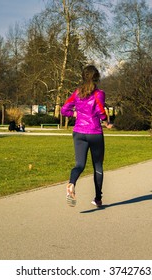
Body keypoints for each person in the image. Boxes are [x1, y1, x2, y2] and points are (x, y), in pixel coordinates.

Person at [61, 65, 113, 208]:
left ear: (83, 77)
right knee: (98, 165)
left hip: (79, 133)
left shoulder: (77, 93)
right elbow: (101, 112)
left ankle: (71, 184)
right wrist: (107, 122)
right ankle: (97, 199)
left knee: (79, 165)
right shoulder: (99, 94)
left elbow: (64, 110)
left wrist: (75, 114)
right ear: (96, 78)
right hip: (95, 132)